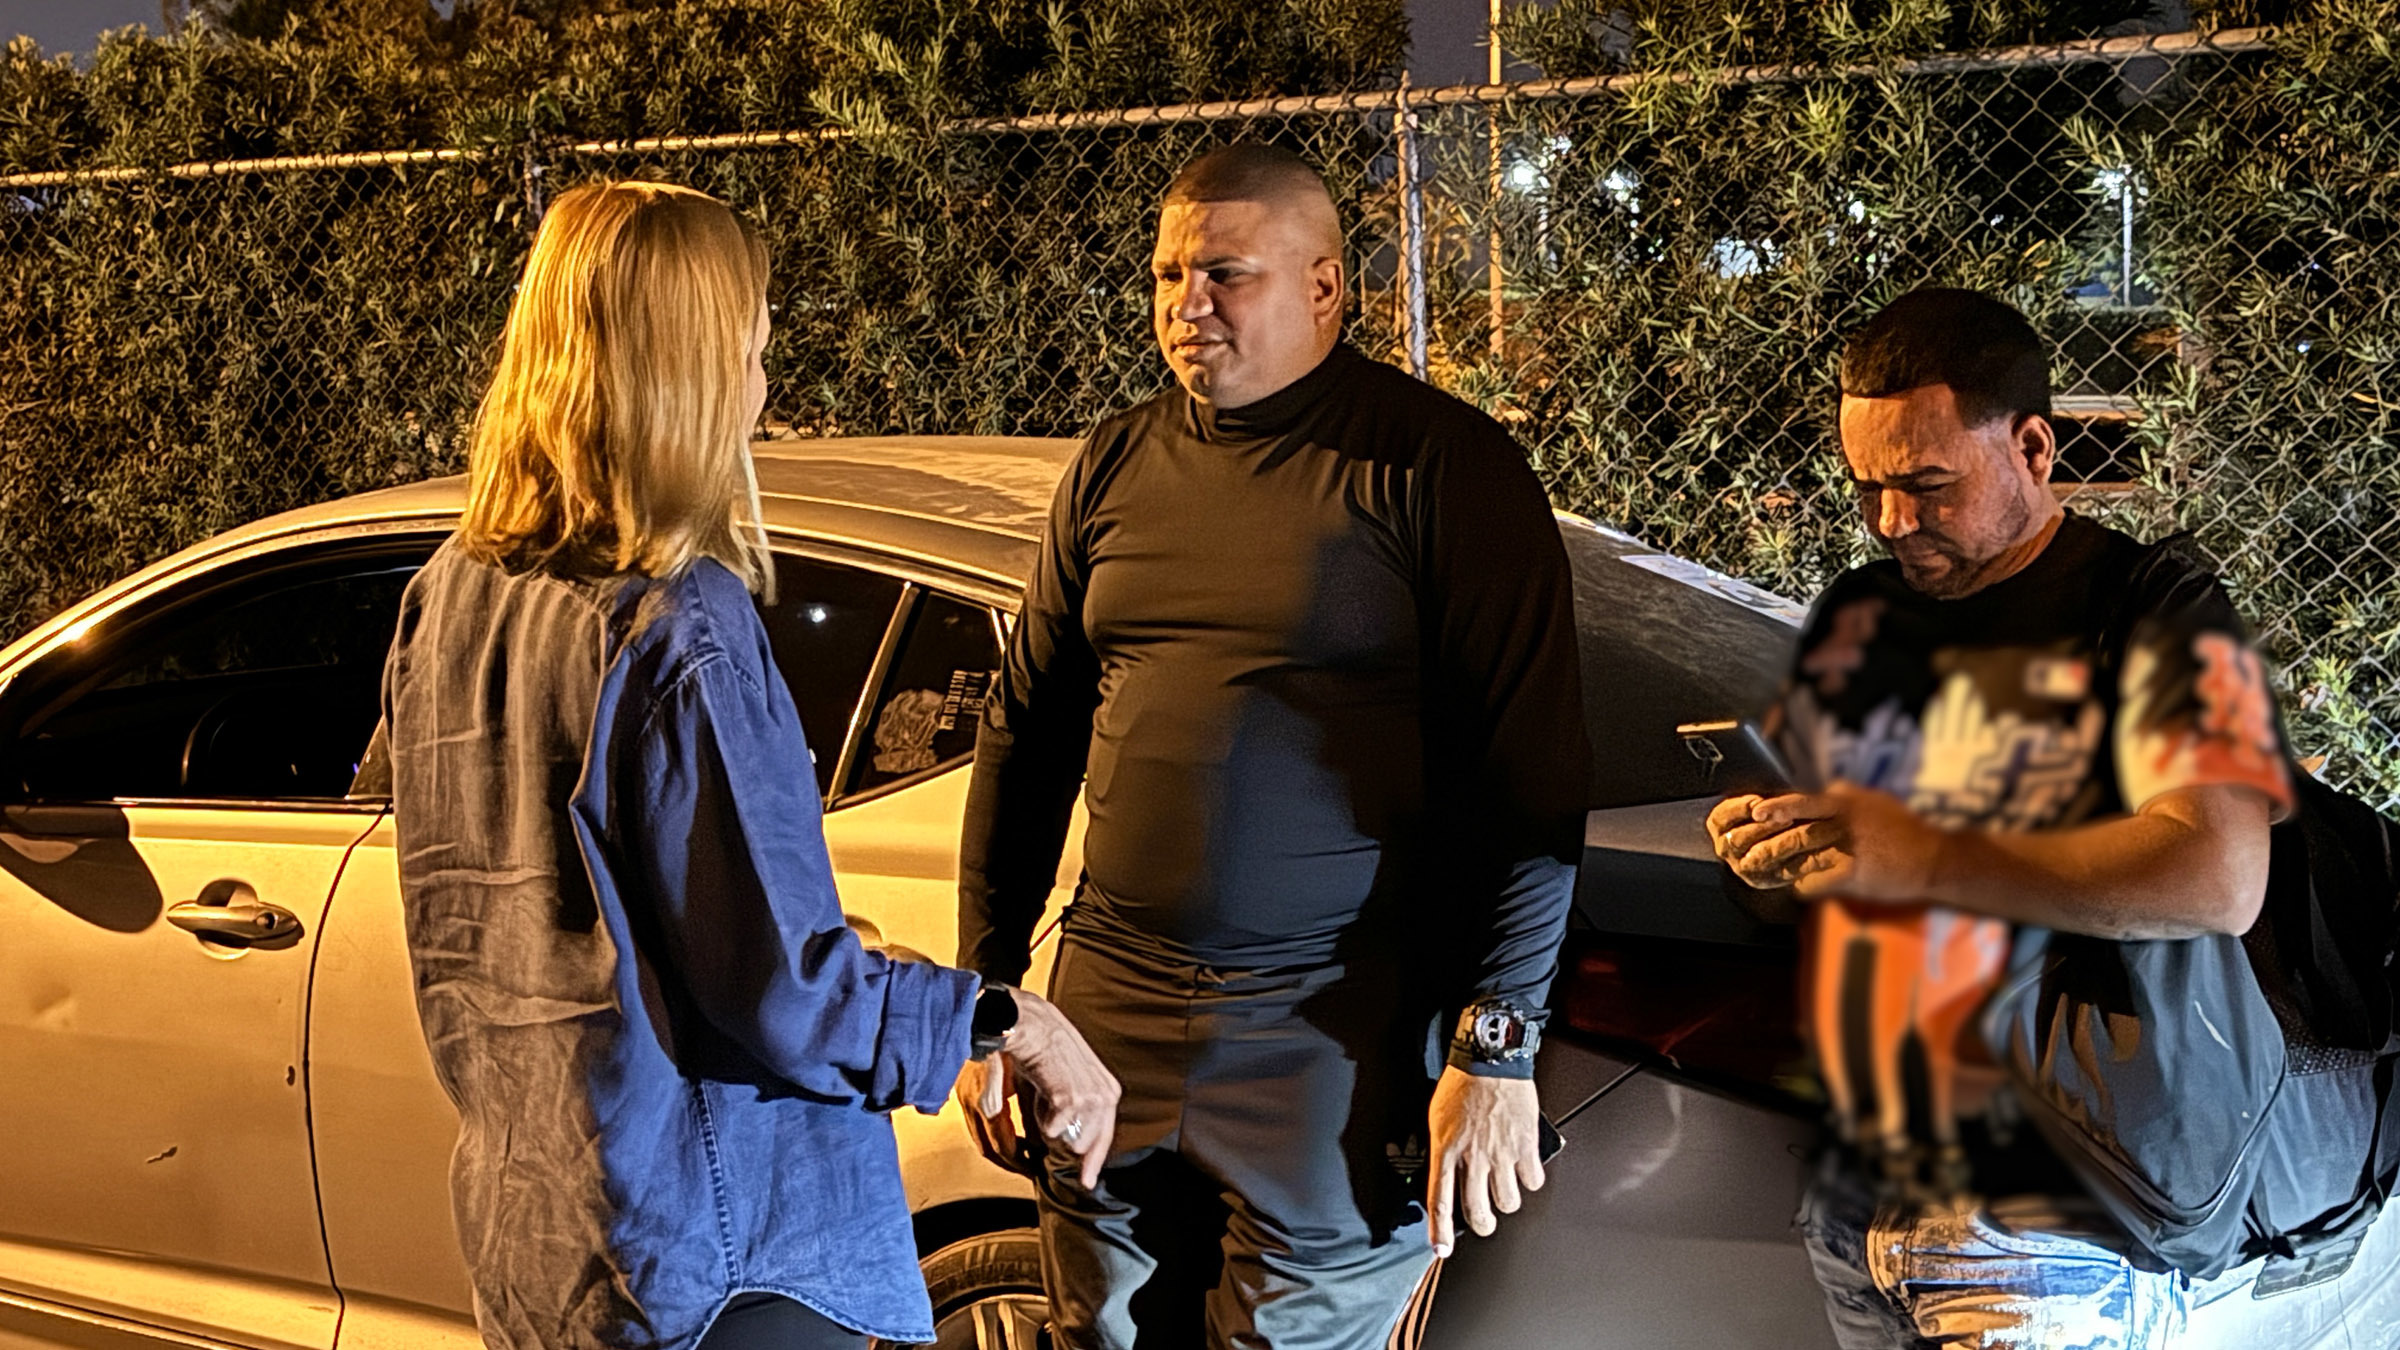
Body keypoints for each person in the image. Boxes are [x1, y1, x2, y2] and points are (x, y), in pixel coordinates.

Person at [378, 179, 1118, 1350]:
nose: (763, 389)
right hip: (724, 1263)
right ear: (688, 369)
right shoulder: (682, 629)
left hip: (547, 1246)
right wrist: (1003, 1020)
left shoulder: (450, 596)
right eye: (753, 351)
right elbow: (786, 990)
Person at [951, 143, 1590, 1349]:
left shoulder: (1442, 470)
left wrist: (1497, 1050)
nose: (1186, 305)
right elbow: (1024, 734)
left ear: (1325, 286)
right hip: (1108, 1018)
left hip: (1333, 1041)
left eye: (1225, 274)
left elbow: (1537, 781)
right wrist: (983, 999)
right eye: (1168, 275)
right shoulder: (1114, 464)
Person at [1707, 286, 2400, 1348]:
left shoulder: (2150, 607)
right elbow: (1840, 871)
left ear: (2033, 447)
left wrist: (1921, 853)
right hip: (1866, 1200)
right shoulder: (1864, 614)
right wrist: (1771, 859)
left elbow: (2217, 874)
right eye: (1868, 488)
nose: (1893, 521)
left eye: (1928, 485)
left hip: (2055, 1228)